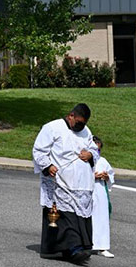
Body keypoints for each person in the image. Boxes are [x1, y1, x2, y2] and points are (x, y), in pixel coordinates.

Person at [32, 103, 98, 263]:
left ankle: (81, 246)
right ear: (71, 116)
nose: (81, 127)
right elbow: (39, 150)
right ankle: (73, 249)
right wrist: (48, 166)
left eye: (84, 124)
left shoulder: (86, 131)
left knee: (80, 216)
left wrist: (90, 154)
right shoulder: (52, 128)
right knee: (67, 217)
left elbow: (95, 150)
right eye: (79, 123)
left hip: (81, 184)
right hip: (60, 182)